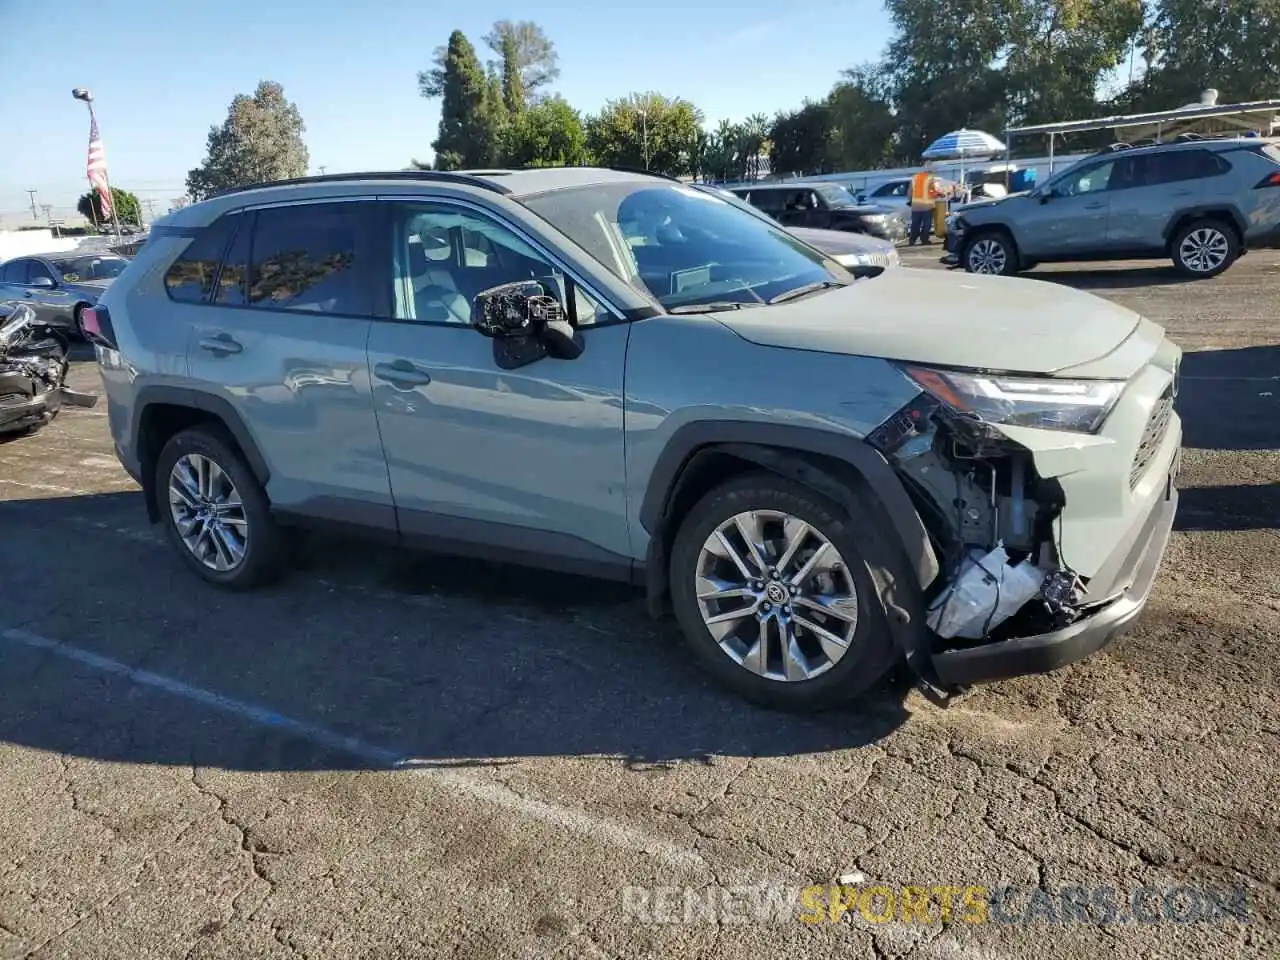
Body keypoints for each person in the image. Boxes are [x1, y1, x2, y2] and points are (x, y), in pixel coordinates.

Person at [908, 170, 941, 245]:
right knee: (927, 224)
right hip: (927, 205)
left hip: (916, 205)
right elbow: (937, 190)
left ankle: (912, 240)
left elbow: (910, 191)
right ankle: (924, 239)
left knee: (915, 223)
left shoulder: (915, 177)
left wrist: (910, 200)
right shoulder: (931, 178)